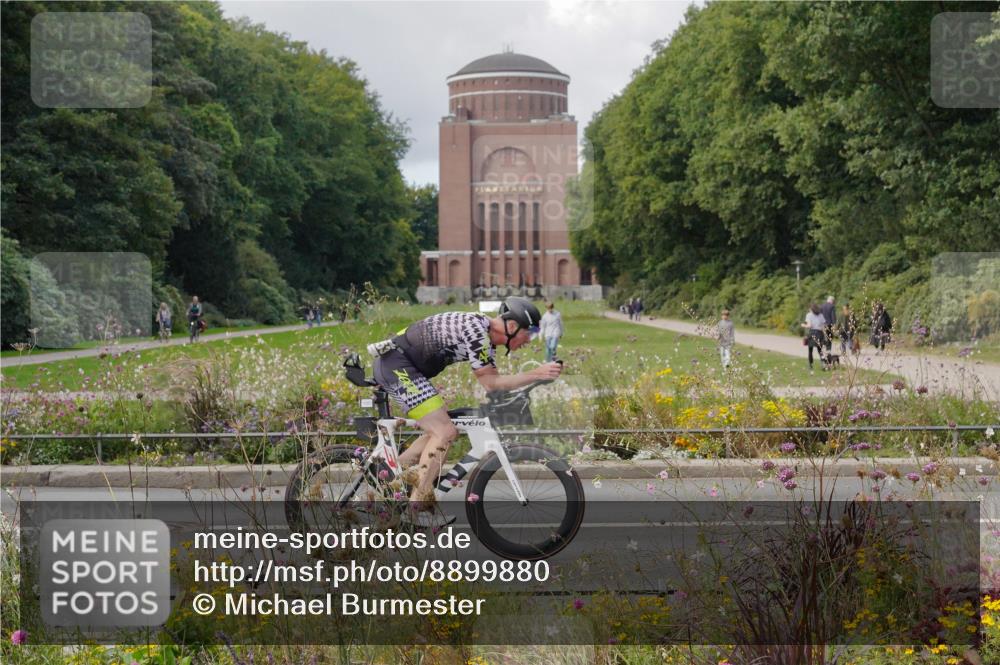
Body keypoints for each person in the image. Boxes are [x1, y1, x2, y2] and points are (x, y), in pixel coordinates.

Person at [369, 297, 561, 527]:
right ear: (512, 326)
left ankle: (390, 474)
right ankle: (416, 509)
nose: (530, 340)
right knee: (444, 432)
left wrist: (529, 384)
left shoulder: (485, 339)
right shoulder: (477, 331)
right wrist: (536, 374)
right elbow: (491, 383)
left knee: (444, 427)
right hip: (397, 366)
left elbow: (493, 381)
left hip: (402, 366)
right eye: (530, 332)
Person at [800, 304, 827, 371]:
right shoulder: (821, 315)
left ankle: (810, 365)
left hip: (812, 333)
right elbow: (824, 326)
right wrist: (825, 336)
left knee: (810, 350)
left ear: (811, 309)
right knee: (820, 350)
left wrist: (803, 325)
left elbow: (809, 325)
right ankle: (823, 364)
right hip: (820, 333)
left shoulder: (809, 315)